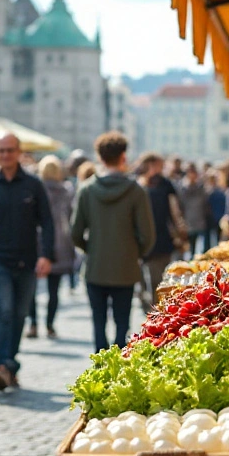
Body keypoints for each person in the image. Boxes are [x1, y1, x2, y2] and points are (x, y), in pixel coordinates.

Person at [0, 133, 53, 391]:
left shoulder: (33, 185)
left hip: (27, 262)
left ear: (19, 152)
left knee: (20, 315)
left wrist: (46, 255)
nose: (5, 155)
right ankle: (2, 365)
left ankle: (9, 364)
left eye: (10, 150)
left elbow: (48, 222)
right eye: (1, 151)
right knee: (5, 312)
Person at [71, 132, 155, 351]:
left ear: (100, 157)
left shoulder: (87, 189)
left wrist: (90, 249)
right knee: (122, 321)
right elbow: (147, 235)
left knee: (98, 322)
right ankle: (118, 363)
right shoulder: (136, 191)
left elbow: (75, 232)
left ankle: (99, 362)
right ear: (124, 157)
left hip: (95, 266)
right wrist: (134, 252)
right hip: (125, 268)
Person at [136, 153, 182, 309]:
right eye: (158, 165)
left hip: (163, 237)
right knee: (145, 276)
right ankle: (149, 303)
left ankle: (158, 307)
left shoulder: (166, 184)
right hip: (142, 238)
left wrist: (179, 232)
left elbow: (174, 210)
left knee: (160, 277)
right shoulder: (139, 183)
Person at [37, 156, 75, 339]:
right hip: (61, 244)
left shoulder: (37, 189)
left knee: (30, 288)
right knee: (54, 290)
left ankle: (33, 324)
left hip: (38, 242)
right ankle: (50, 324)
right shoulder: (66, 191)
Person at [178, 165, 209, 257]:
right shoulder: (182, 188)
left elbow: (205, 202)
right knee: (191, 248)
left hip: (201, 220)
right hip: (189, 220)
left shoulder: (201, 187)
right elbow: (180, 204)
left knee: (204, 248)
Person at [205, 169, 226, 250]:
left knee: (218, 239)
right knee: (208, 240)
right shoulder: (206, 191)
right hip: (209, 217)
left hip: (218, 217)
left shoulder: (220, 190)